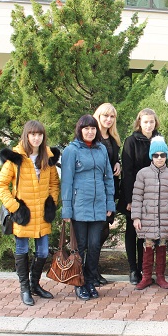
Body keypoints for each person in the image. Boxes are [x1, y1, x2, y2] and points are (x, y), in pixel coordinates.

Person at [0, 120, 60, 306]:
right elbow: (1, 185)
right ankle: (24, 288)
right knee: (22, 250)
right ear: (26, 135)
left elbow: (54, 183)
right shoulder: (16, 158)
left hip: (42, 213)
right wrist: (14, 207)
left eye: (39, 134)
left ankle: (34, 284)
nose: (36, 138)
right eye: (33, 134)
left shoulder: (47, 156)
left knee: (43, 251)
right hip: (23, 214)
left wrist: (52, 202)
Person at [61, 115, 115, 301]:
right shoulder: (71, 150)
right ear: (80, 130)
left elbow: (108, 178)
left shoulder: (101, 149)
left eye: (93, 128)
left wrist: (110, 203)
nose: (90, 132)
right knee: (80, 246)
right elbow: (66, 181)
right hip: (79, 207)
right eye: (86, 128)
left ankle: (90, 280)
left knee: (94, 246)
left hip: (99, 206)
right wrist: (66, 209)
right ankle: (79, 282)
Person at [118, 108, 160, 285]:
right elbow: (127, 172)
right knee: (132, 231)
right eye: (145, 122)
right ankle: (133, 269)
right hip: (134, 192)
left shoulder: (159, 140)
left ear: (155, 123)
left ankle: (144, 268)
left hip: (152, 194)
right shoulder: (131, 141)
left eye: (151, 121)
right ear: (139, 123)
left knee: (146, 233)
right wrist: (129, 199)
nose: (149, 125)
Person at [131, 136, 168, 290]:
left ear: (166, 156)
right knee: (147, 246)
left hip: (163, 218)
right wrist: (136, 217)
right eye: (156, 155)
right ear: (151, 156)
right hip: (147, 217)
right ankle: (146, 277)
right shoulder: (142, 174)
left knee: (162, 247)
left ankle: (160, 276)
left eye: (162, 155)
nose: (159, 158)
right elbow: (137, 197)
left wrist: (167, 209)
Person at [93, 102, 122, 286]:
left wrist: (118, 163)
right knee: (96, 231)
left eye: (112, 117)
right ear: (98, 116)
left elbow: (113, 159)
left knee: (103, 231)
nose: (109, 119)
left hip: (110, 190)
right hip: (97, 191)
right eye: (105, 116)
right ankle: (90, 271)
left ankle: (93, 269)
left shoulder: (113, 138)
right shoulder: (92, 137)